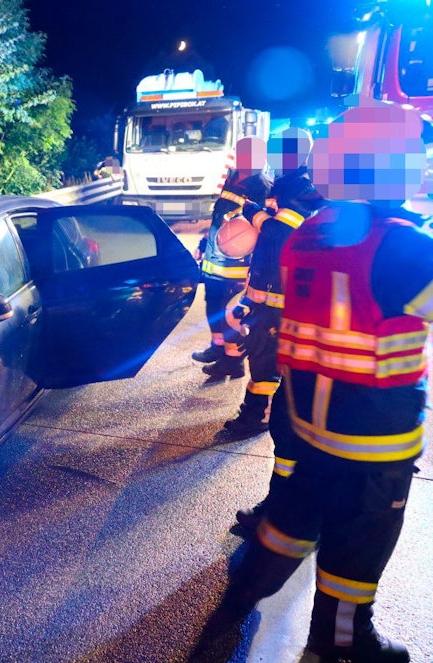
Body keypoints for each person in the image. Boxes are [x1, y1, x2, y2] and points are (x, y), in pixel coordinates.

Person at [196, 103, 433, 663]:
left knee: (293, 520)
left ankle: (237, 600)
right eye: (413, 157)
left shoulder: (310, 231)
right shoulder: (403, 246)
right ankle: (341, 639)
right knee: (361, 539)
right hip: (374, 434)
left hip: (310, 422)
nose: (422, 167)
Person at [217, 128, 325, 456]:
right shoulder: (283, 185)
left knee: (266, 358)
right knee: (259, 353)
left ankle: (256, 416)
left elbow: (279, 233)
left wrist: (253, 213)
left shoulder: (303, 190)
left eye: (279, 151)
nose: (274, 158)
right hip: (265, 289)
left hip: (280, 295)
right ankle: (259, 412)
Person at [192, 136, 272, 379]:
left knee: (230, 314)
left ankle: (233, 362)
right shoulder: (232, 176)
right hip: (215, 259)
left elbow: (259, 228)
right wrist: (204, 243)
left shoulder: (262, 187)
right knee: (212, 304)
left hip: (238, 264)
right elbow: (220, 217)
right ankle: (217, 348)